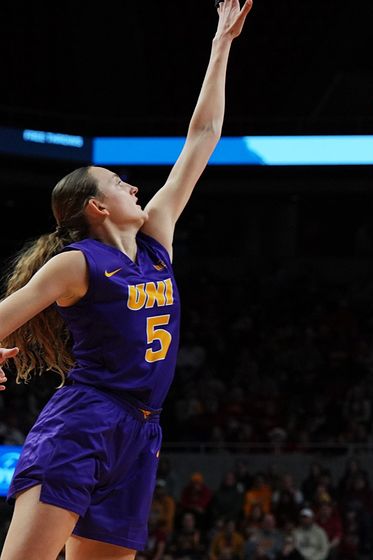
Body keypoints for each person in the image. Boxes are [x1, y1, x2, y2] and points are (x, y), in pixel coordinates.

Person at [0, 1, 253, 558]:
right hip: (84, 422)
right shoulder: (77, 263)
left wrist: (220, 47)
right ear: (97, 206)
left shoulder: (155, 240)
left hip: (142, 433)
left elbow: (203, 136)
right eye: (119, 183)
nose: (133, 188)